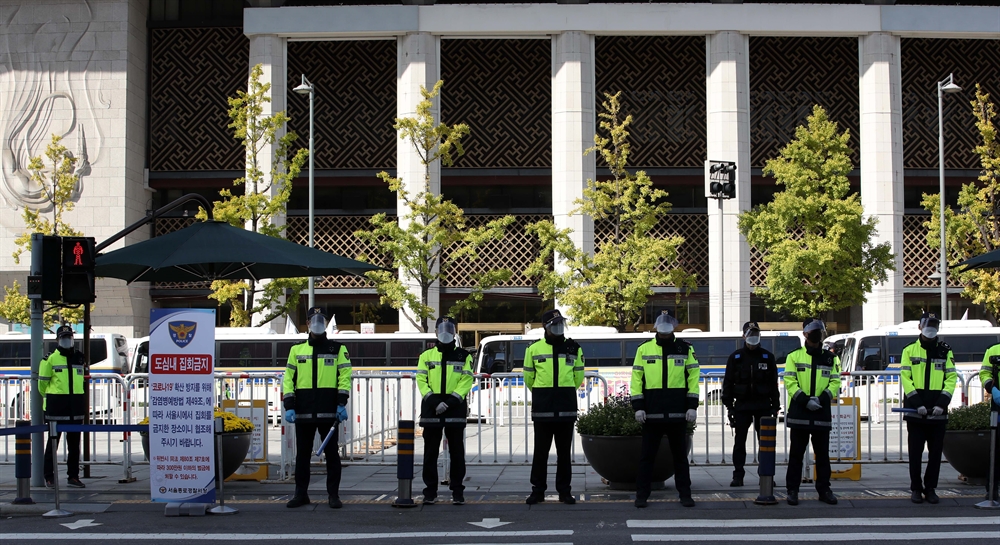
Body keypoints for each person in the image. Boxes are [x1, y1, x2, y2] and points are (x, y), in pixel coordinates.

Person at [282, 307, 352, 509]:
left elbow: (345, 377)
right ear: (307, 323)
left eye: (321, 319)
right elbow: (288, 379)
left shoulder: (338, 349)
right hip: (303, 409)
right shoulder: (296, 350)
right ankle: (300, 494)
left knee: (332, 455)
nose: (317, 323)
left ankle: (333, 495)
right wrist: (289, 406)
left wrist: (341, 402)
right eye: (314, 319)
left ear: (326, 322)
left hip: (329, 410)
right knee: (302, 455)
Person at [631, 311, 698, 508]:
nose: (665, 330)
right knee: (647, 458)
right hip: (651, 414)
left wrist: (692, 407)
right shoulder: (643, 349)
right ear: (656, 329)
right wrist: (638, 407)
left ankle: (685, 494)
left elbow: (693, 378)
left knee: (680, 458)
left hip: (678, 413)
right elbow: (636, 380)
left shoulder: (685, 348)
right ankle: (641, 495)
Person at [523, 309, 585, 505]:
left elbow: (578, 377)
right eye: (554, 324)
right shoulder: (533, 349)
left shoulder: (574, 348)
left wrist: (563, 392)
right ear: (545, 327)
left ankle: (564, 491)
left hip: (566, 406)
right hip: (543, 407)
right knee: (540, 452)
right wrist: (544, 393)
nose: (558, 327)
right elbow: (528, 378)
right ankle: (537, 491)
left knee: (564, 453)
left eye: (560, 323)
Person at [416, 316, 474, 506]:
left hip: (454, 407)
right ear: (435, 332)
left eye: (449, 329)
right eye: (442, 329)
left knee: (457, 452)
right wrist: (433, 401)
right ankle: (430, 491)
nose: (445, 333)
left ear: (455, 332)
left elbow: (466, 381)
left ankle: (457, 491)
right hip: (432, 409)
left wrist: (449, 402)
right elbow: (421, 381)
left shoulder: (464, 355)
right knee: (430, 452)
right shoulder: (426, 355)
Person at [783, 318, 840, 506]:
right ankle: (792, 490)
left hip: (821, 411)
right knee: (796, 455)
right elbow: (790, 382)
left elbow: (835, 382)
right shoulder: (794, 356)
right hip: (800, 411)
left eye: (820, 331)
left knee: (822, 455)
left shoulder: (831, 358)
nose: (817, 334)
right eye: (814, 331)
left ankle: (824, 489)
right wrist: (805, 400)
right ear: (805, 334)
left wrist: (821, 399)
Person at [900, 313, 956, 504]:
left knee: (935, 454)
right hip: (916, 411)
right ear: (920, 327)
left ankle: (930, 488)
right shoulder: (909, 350)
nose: (930, 330)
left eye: (934, 326)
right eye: (928, 326)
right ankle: (916, 488)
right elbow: (905, 379)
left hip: (938, 412)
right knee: (915, 453)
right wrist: (918, 404)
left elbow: (951, 378)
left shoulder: (945, 351)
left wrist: (942, 404)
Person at [721, 321, 780, 487]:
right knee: (740, 442)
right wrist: (729, 407)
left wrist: (775, 407)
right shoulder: (736, 357)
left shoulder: (767, 357)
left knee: (765, 443)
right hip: (742, 406)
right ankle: (738, 475)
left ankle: (766, 475)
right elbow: (728, 383)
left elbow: (773, 384)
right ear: (743, 336)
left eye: (755, 333)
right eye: (750, 333)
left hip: (763, 405)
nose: (753, 337)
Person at [39, 324, 87, 489]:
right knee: (53, 444)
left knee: (74, 445)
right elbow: (42, 385)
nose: (67, 340)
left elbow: (82, 381)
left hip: (76, 407)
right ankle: (49, 477)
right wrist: (51, 398)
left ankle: (73, 476)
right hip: (56, 408)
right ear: (58, 340)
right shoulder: (49, 359)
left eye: (69, 337)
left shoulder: (80, 357)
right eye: (64, 337)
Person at [980, 336, 1000, 502]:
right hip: (999, 405)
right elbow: (985, 373)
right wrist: (991, 388)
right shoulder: (993, 350)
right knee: (996, 449)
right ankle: (992, 489)